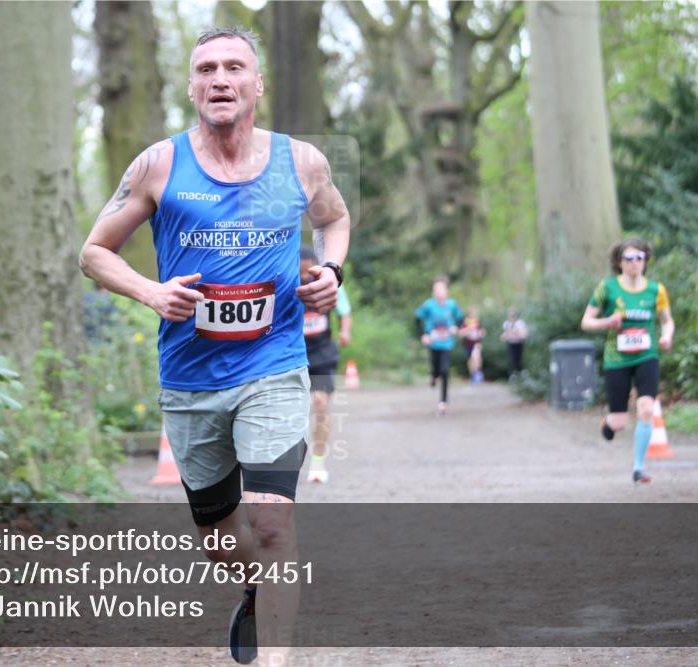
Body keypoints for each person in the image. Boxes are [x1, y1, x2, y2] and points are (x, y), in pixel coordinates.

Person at [78, 27, 350, 665]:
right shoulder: (158, 165)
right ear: (192, 85)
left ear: (258, 84)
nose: (219, 79)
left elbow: (334, 220)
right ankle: (256, 586)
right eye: (206, 69)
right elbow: (93, 253)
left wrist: (331, 273)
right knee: (218, 534)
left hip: (276, 365)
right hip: (191, 377)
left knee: (273, 523)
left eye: (234, 67)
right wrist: (151, 293)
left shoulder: (302, 162)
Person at [580, 239, 674, 485]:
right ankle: (610, 422)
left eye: (640, 258)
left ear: (646, 262)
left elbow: (666, 320)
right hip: (617, 359)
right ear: (619, 263)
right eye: (629, 258)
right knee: (619, 422)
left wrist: (666, 336)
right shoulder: (607, 288)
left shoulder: (656, 290)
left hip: (646, 357)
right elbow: (586, 322)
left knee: (646, 409)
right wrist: (607, 322)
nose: (635, 263)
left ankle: (639, 468)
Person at [300, 247, 352, 484]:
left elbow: (345, 310)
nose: (304, 278)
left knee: (320, 404)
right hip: (291, 354)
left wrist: (344, 331)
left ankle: (318, 462)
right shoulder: (284, 284)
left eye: (307, 272)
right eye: (299, 273)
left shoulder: (325, 282)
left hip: (320, 354)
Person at [415, 277, 463, 415]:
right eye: (435, 289)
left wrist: (456, 327)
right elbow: (417, 319)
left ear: (447, 291)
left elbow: (460, 319)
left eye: (440, 289)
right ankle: (433, 376)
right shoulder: (428, 305)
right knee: (436, 370)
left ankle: (443, 401)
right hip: (433, 343)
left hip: (446, 343)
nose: (437, 292)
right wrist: (423, 335)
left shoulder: (452, 305)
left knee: (445, 370)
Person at [459, 308, 486, 384]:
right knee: (470, 360)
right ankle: (473, 375)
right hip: (468, 344)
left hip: (476, 343)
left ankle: (478, 372)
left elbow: (483, 332)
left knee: (476, 357)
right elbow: (461, 333)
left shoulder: (478, 322)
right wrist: (468, 329)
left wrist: (481, 333)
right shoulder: (465, 322)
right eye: (471, 313)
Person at [500, 307, 528, 377]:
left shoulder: (520, 323)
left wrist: (516, 331)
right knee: (511, 359)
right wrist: (504, 336)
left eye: (513, 315)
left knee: (519, 359)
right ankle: (512, 375)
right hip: (511, 343)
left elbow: (524, 334)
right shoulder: (506, 324)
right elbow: (504, 335)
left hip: (519, 343)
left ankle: (520, 374)